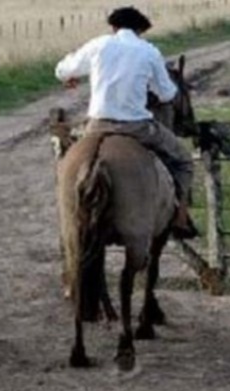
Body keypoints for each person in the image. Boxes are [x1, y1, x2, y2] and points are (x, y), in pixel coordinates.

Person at [54, 6, 198, 239]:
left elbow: (62, 70)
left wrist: (70, 76)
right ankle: (179, 215)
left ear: (114, 27)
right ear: (140, 30)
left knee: (68, 156)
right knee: (183, 160)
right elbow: (168, 94)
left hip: (97, 125)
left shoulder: (98, 45)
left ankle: (69, 209)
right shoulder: (149, 52)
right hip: (137, 127)